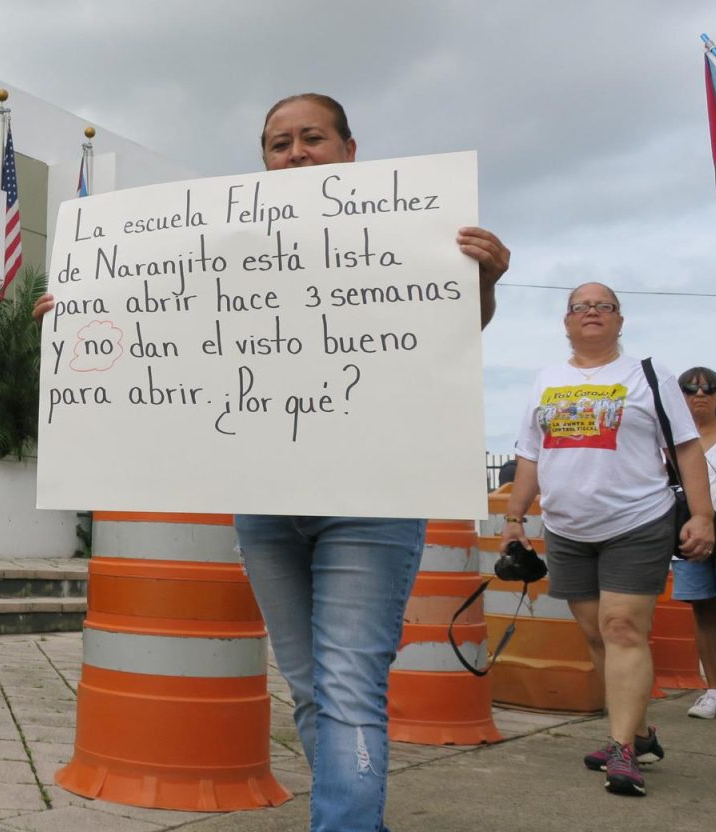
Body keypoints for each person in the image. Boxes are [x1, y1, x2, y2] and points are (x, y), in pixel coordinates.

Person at [36, 93, 510, 831]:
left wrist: (481, 279)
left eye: (311, 138)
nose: (294, 154)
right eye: (277, 143)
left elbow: (445, 339)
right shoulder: (232, 246)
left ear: (350, 150)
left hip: (370, 502)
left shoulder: (405, 231)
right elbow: (167, 332)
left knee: (349, 685)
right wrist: (78, 314)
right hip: (264, 506)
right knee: (313, 688)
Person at [502, 284, 716, 796]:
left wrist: (702, 515)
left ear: (620, 320)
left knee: (621, 628)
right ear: (566, 322)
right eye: (581, 307)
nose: (591, 312)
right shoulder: (545, 380)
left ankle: (621, 750)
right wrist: (515, 517)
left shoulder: (648, 374)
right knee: (597, 634)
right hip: (567, 529)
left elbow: (686, 450)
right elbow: (530, 456)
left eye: (603, 306)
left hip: (637, 521)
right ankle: (639, 732)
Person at [672, 365, 716, 720]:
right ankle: (713, 690)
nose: (700, 394)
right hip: (690, 541)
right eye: (690, 388)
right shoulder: (671, 442)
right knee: (703, 611)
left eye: (708, 388)